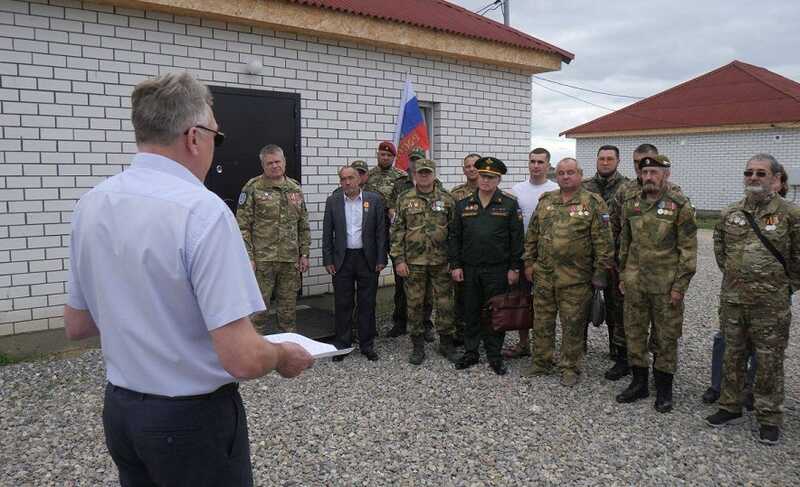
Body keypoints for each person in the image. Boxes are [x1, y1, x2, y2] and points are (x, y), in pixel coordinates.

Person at [64, 72, 313, 486]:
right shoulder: (204, 212)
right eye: (217, 136)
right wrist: (284, 355)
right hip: (190, 421)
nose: (215, 147)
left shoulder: (92, 203)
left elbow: (78, 324)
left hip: (122, 411)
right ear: (194, 137)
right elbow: (243, 358)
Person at [705, 154, 800, 445]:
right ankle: (729, 406)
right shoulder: (730, 213)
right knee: (732, 356)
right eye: (749, 172)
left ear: (775, 179)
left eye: (761, 173)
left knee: (769, 361)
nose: (753, 178)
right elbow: (721, 253)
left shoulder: (790, 214)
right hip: (733, 300)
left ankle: (768, 417)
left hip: (770, 305)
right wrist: (737, 278)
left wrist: (784, 287)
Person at [616, 155, 697, 413]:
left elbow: (688, 250)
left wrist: (679, 287)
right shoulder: (631, 203)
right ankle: (639, 383)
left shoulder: (679, 205)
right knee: (635, 333)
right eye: (645, 172)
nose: (648, 176)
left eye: (654, 172)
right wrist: (622, 276)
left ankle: (664, 389)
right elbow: (625, 243)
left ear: (666, 175)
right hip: (635, 283)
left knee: (666, 337)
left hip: (665, 286)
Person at [522, 158, 612, 386]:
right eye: (561, 173)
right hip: (544, 275)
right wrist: (528, 263)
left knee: (573, 324)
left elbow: (603, 242)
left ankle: (570, 366)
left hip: (576, 278)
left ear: (580, 175)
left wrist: (600, 273)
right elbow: (532, 234)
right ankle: (541, 361)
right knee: (542, 321)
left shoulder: (593, 203)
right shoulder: (546, 201)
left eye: (570, 172)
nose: (565, 176)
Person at [449, 156, 524, 375]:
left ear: (498, 179)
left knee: (495, 313)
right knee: (470, 311)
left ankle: (494, 354)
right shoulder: (463, 204)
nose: (485, 181)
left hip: (497, 269)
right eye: (483, 176)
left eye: (491, 177)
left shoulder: (509, 204)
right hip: (470, 268)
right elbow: (455, 237)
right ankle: (471, 352)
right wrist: (455, 265)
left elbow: (516, 238)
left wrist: (514, 268)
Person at [390, 158, 460, 364]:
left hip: (441, 262)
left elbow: (455, 233)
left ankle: (446, 343)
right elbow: (396, 232)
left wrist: (454, 261)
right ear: (414, 175)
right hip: (414, 263)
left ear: (434, 175)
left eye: (427, 173)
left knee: (445, 304)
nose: (424, 176)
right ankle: (417, 346)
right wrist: (398, 260)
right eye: (420, 173)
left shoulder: (447, 199)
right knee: (414, 304)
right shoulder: (404, 198)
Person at [237, 144, 310, 333]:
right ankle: (253, 354)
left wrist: (304, 253)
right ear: (263, 165)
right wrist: (249, 257)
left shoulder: (295, 189)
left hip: (289, 260)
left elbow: (303, 223)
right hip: (262, 261)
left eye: (278, 161)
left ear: (284, 162)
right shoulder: (252, 188)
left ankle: (288, 352)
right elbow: (242, 226)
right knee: (258, 311)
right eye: (270, 163)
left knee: (288, 311)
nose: (275, 166)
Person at [323, 166, 387, 361]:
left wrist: (381, 258)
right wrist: (328, 259)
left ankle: (367, 344)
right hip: (342, 260)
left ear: (359, 179)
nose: (347, 182)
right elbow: (327, 233)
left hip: (367, 259)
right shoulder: (333, 201)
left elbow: (381, 232)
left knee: (367, 303)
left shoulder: (373, 200)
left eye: (351, 178)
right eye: (343, 179)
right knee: (343, 303)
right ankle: (343, 344)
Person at [504, 147, 558, 359]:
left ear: (548, 165)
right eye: (532, 162)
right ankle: (524, 343)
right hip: (523, 255)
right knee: (523, 301)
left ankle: (546, 348)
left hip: (548, 258)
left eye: (540, 162)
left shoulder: (555, 190)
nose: (536, 166)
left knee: (548, 305)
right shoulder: (516, 190)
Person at [582, 145, 630, 379]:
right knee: (580, 304)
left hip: (615, 258)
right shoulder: (585, 187)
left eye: (610, 159)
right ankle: (578, 347)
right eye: (601, 158)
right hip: (586, 256)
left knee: (615, 306)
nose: (605, 162)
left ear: (618, 161)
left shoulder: (628, 187)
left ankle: (617, 350)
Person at [385, 148, 436, 341]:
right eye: (413, 160)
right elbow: (392, 209)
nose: (415, 163)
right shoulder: (400, 184)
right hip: (406, 247)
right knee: (401, 288)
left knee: (427, 292)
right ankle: (400, 322)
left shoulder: (434, 185)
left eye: (419, 160)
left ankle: (426, 324)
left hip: (429, 250)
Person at [367, 141, 410, 337]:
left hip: (395, 232)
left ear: (393, 158)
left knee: (402, 277)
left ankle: (400, 320)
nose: (384, 158)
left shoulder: (401, 177)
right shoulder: (368, 176)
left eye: (388, 156)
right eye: (381, 155)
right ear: (377, 155)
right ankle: (368, 322)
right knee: (370, 276)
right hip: (374, 232)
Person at [450, 152, 482, 345]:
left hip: (485, 254)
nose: (471, 169)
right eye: (468, 166)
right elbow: (452, 227)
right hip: (463, 255)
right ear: (463, 170)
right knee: (461, 297)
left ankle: (485, 333)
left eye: (475, 165)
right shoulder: (455, 194)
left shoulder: (491, 190)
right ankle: (461, 333)